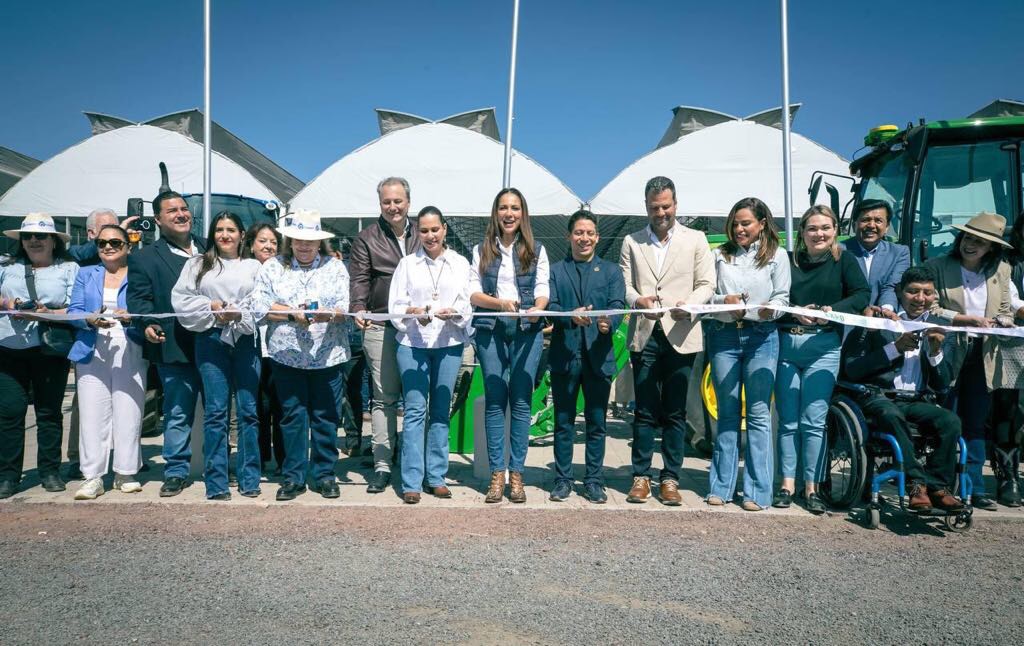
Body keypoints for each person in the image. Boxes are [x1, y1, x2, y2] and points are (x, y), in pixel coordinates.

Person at [618, 176, 715, 506]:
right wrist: (637, 301)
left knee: (675, 412)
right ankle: (641, 477)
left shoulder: (697, 239)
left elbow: (707, 283)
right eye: (654, 207)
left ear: (676, 204)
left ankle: (670, 478)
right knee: (644, 411)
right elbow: (626, 286)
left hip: (682, 335)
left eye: (666, 206)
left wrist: (691, 304)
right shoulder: (631, 241)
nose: (661, 212)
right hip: (645, 335)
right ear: (646, 207)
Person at [841, 266, 965, 512]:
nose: (920, 299)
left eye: (927, 293)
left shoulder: (941, 327)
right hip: (879, 396)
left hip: (918, 399)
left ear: (935, 296)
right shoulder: (878, 321)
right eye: (913, 292)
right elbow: (851, 369)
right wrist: (895, 348)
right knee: (891, 414)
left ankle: (938, 487)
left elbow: (942, 384)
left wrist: (936, 351)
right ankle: (916, 484)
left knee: (950, 420)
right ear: (899, 292)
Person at [774, 205, 869, 514]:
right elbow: (776, 297)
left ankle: (812, 487)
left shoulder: (846, 261)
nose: (819, 234)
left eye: (825, 228)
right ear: (802, 232)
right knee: (788, 421)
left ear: (836, 231)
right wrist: (792, 310)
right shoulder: (788, 260)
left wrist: (834, 310)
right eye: (812, 228)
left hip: (825, 348)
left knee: (813, 422)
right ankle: (787, 485)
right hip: (787, 345)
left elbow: (861, 294)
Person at [251, 209, 350, 501]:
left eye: (311, 241)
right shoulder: (272, 268)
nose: (304, 246)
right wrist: (292, 314)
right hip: (287, 356)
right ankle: (293, 477)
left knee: (326, 417)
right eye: (298, 240)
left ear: (320, 243)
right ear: (290, 241)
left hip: (327, 356)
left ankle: (324, 474)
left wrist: (324, 315)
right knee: (292, 417)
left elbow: (344, 308)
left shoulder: (335, 268)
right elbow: (260, 306)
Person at [705, 198, 790, 511]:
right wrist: (722, 299)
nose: (739, 229)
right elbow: (707, 296)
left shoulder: (778, 257)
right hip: (724, 335)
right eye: (735, 223)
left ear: (762, 224)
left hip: (762, 337)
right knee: (725, 412)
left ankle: (757, 492)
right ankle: (720, 487)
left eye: (746, 223)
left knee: (757, 413)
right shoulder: (719, 255)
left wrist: (772, 311)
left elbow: (782, 297)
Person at [925, 211, 1014, 511]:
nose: (970, 244)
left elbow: (1006, 309)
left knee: (975, 422)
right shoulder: (938, 266)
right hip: (948, 350)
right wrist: (963, 319)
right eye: (967, 237)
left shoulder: (1001, 269)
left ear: (992, 248)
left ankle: (974, 487)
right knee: (947, 418)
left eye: (979, 241)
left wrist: (1002, 320)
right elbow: (931, 308)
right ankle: (943, 485)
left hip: (984, 352)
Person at [172, 211, 262, 500]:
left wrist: (240, 313)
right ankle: (216, 482)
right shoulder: (197, 264)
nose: (225, 235)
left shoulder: (254, 266)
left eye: (231, 230)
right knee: (215, 413)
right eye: (220, 229)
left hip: (246, 339)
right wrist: (209, 305)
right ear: (213, 234)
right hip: (211, 339)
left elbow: (261, 301)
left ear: (241, 235)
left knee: (248, 411)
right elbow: (182, 298)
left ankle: (249, 479)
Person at [470, 188, 550, 504]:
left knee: (520, 400)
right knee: (494, 400)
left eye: (515, 208)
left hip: (527, 328)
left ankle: (517, 473)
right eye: (503, 207)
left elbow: (542, 288)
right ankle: (496, 474)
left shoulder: (536, 249)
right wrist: (500, 304)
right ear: (496, 213)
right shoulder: (481, 250)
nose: (509, 213)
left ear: (522, 213)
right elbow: (473, 293)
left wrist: (538, 307)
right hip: (490, 326)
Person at [388, 207, 471, 504]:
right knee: (414, 410)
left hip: (448, 342)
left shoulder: (460, 263)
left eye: (435, 229)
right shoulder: (407, 264)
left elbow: (466, 303)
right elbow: (395, 305)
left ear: (445, 229)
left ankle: (436, 476)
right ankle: (411, 480)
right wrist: (411, 313)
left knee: (440, 410)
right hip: (413, 343)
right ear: (417, 232)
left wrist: (455, 314)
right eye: (424, 230)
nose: (430, 235)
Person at [126, 191, 206, 497]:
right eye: (172, 211)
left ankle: (217, 464)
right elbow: (139, 301)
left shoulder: (210, 248)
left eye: (184, 209)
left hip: (214, 344)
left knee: (217, 411)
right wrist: (148, 325)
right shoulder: (143, 258)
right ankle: (175, 471)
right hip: (172, 346)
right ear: (158, 220)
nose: (181, 214)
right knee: (178, 411)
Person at [546, 209, 625, 504]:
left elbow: (618, 304)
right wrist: (569, 317)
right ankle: (562, 479)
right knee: (563, 421)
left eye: (590, 233)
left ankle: (594, 480)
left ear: (597, 237)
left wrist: (609, 322)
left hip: (598, 355)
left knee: (596, 422)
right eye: (579, 232)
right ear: (569, 236)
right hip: (565, 355)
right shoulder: (556, 271)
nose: (584, 238)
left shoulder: (611, 270)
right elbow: (551, 305)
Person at [0, 213, 79, 498]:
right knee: (9, 413)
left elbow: (77, 307)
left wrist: (49, 313)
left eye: (40, 236)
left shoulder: (69, 268)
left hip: (49, 349)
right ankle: (8, 475)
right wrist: (9, 303)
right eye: (28, 236)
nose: (34, 240)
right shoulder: (5, 266)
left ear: (54, 241)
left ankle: (49, 471)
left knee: (48, 412)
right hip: (8, 349)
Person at [349, 177, 420, 494]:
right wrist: (358, 307)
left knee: (418, 399)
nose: (393, 207)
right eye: (386, 202)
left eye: (398, 201)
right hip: (382, 326)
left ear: (409, 201)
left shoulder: (424, 231)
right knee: (383, 398)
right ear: (380, 204)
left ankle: (415, 461)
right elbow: (360, 278)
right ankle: (381, 464)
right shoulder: (366, 238)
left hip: (422, 328)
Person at [67, 224, 146, 499]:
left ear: (128, 246)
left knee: (129, 410)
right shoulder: (86, 274)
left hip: (129, 344)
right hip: (92, 345)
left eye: (115, 242)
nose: (108, 247)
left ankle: (125, 471)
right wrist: (88, 319)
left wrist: (132, 315)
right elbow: (73, 310)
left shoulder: (138, 273)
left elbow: (147, 306)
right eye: (102, 243)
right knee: (91, 413)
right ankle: (92, 476)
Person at [242, 222, 286, 476]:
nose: (268, 246)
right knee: (256, 407)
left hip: (278, 349)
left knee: (281, 407)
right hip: (250, 346)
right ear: (251, 244)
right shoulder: (244, 271)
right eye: (262, 241)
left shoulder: (283, 270)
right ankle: (257, 460)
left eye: (273, 242)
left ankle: (283, 460)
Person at [989, 211, 1024, 507]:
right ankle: (1008, 474)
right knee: (1007, 407)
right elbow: (1012, 304)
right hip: (1014, 343)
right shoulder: (1005, 263)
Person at [840, 199, 910, 313]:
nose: (871, 225)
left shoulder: (899, 253)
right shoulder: (838, 251)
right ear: (854, 225)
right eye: (865, 220)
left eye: (878, 220)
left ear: (887, 227)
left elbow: (891, 287)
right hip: (845, 321)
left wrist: (885, 311)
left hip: (881, 322)